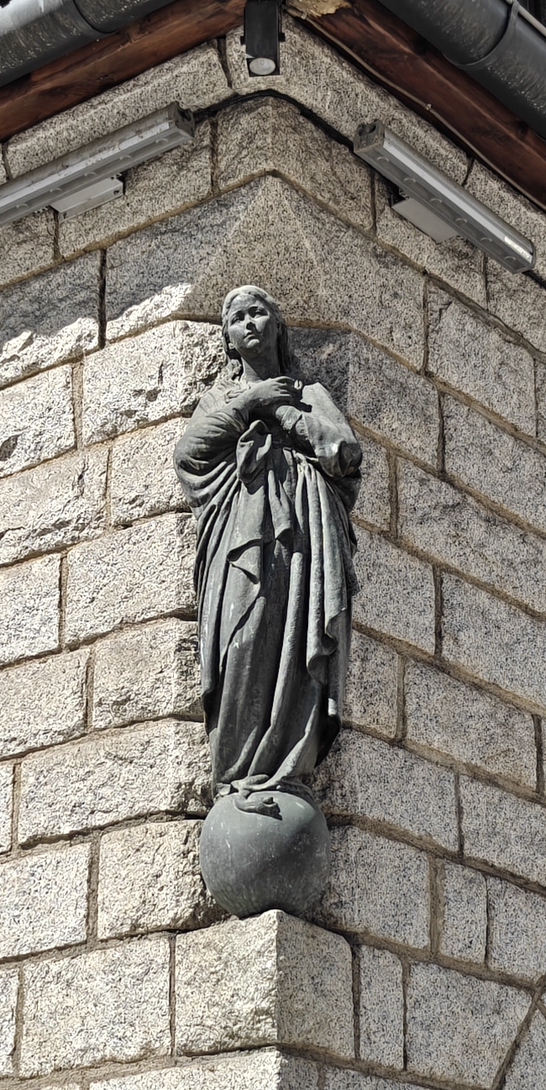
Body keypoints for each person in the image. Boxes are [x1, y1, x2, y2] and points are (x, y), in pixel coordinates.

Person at [174, 286, 361, 808]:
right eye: (237, 319)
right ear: (229, 342)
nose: (249, 323)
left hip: (305, 535)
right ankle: (237, 770)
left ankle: (288, 765)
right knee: (245, 631)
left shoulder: (310, 392)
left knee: (300, 635)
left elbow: (344, 453)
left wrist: (287, 418)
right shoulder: (220, 401)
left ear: (278, 326)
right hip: (243, 535)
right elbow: (189, 455)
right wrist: (252, 404)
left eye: (259, 313)